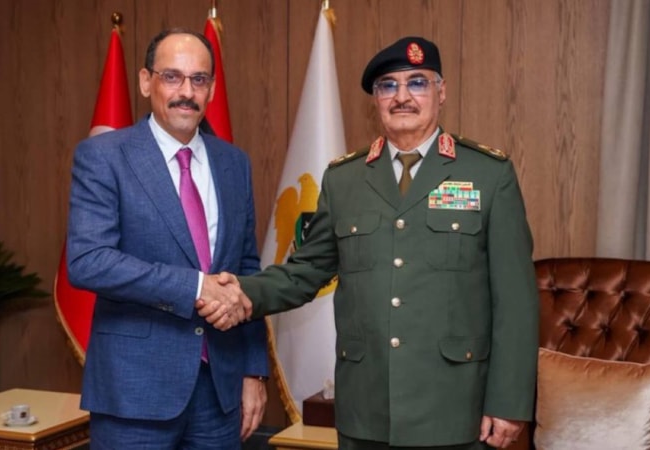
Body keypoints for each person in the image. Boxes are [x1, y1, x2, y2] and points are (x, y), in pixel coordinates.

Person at [199, 36, 539, 449]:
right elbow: (306, 271)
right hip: (366, 412)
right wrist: (240, 292)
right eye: (388, 86)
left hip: (454, 411)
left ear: (441, 92)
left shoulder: (488, 174)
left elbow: (516, 301)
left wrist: (508, 402)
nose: (402, 97)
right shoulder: (344, 179)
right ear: (376, 99)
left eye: (417, 82)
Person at [66, 28, 268, 449]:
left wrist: (253, 370)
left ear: (212, 89)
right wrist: (195, 286)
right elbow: (88, 260)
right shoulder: (104, 156)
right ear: (145, 82)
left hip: (220, 392)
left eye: (199, 79)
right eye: (172, 77)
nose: (186, 92)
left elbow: (247, 271)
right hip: (134, 393)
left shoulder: (234, 163)